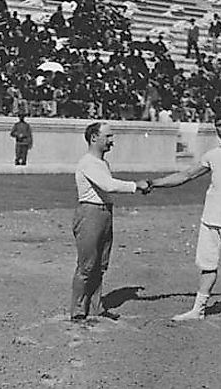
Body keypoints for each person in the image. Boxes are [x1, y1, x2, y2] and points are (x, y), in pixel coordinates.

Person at [148, 109, 221, 330]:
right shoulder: (213, 155)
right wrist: (154, 183)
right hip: (210, 218)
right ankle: (198, 310)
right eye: (220, 125)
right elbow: (186, 175)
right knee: (207, 267)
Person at [70, 122, 150, 321]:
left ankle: (96, 307)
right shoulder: (87, 162)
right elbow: (107, 185)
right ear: (94, 137)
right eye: (108, 136)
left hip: (105, 213)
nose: (112, 141)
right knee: (87, 266)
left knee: (100, 265)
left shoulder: (102, 163)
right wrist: (136, 185)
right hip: (90, 213)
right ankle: (78, 311)